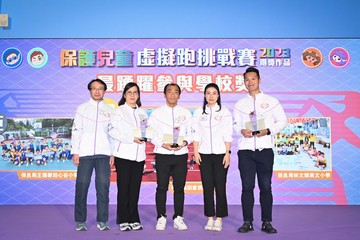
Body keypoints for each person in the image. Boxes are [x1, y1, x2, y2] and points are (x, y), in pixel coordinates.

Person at [233, 67, 287, 234]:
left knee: (265, 187)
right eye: (247, 80)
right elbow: (235, 124)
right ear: (244, 82)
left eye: (253, 79)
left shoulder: (271, 101)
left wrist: (268, 131)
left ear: (259, 80)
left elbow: (282, 121)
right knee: (247, 187)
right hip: (246, 151)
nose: (250, 82)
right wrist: (241, 130)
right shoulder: (240, 104)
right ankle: (247, 221)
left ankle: (266, 222)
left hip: (265, 150)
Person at [148, 83, 192, 231]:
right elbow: (150, 133)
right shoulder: (157, 113)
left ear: (179, 95)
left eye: (175, 92)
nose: (172, 94)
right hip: (163, 154)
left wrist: (185, 142)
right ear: (164, 94)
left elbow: (192, 132)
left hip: (180, 154)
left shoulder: (186, 113)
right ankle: (161, 217)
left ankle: (178, 217)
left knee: (179, 188)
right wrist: (162, 144)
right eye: (169, 92)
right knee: (161, 187)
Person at [71, 79, 114, 231]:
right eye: (94, 88)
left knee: (103, 188)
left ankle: (102, 221)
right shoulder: (82, 109)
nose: (97, 91)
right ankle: (80, 220)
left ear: (104, 91)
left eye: (100, 88)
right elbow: (76, 131)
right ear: (89, 90)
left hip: (104, 154)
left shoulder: (110, 110)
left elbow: (112, 134)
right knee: (81, 187)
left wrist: (112, 153)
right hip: (85, 153)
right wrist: (75, 151)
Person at [192, 83, 233, 231]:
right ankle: (210, 217)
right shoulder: (198, 113)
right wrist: (196, 152)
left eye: (214, 93)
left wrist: (227, 153)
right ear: (204, 95)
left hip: (220, 154)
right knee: (207, 187)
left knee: (220, 187)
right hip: (204, 155)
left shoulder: (224, 112)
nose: (211, 96)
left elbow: (227, 134)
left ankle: (220, 218)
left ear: (218, 95)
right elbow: (195, 134)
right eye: (208, 93)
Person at [109, 82, 147, 231]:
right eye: (129, 92)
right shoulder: (118, 112)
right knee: (123, 188)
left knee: (134, 189)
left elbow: (144, 133)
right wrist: (131, 138)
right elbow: (113, 132)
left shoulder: (142, 113)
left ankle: (134, 218)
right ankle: (124, 219)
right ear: (124, 95)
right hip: (123, 155)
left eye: (135, 92)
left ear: (138, 95)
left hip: (139, 156)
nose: (132, 95)